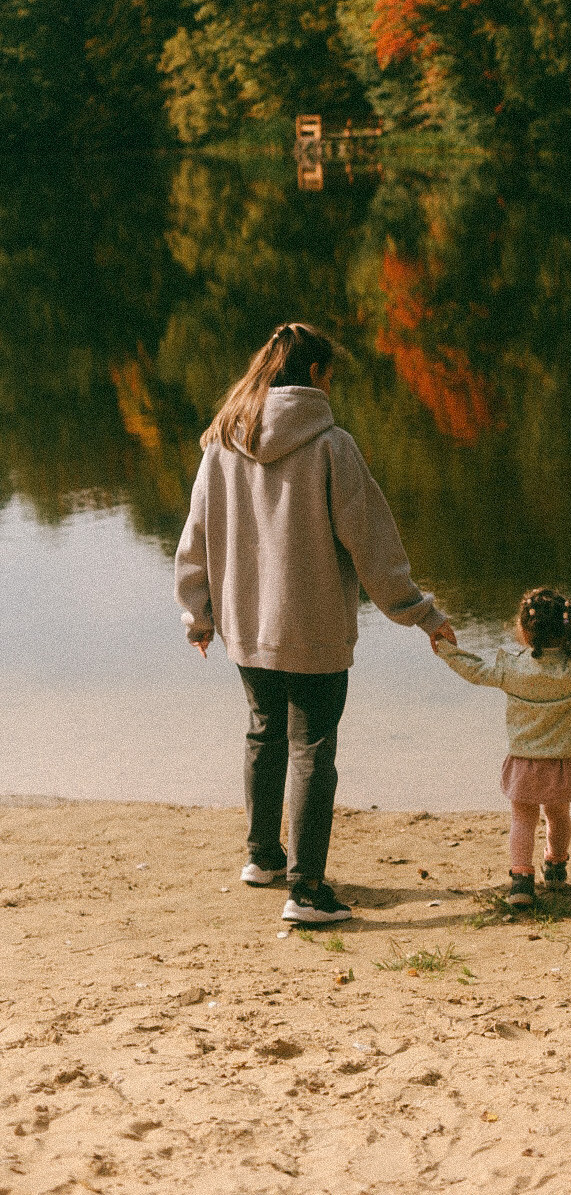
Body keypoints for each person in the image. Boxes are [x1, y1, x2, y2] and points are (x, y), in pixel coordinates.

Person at [174, 321, 455, 925]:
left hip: (247, 626)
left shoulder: (223, 441)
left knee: (262, 732)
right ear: (318, 376)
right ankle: (305, 891)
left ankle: (262, 857)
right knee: (312, 747)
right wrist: (421, 614)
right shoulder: (332, 445)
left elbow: (195, 537)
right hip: (315, 627)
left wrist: (198, 614)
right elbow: (373, 545)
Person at [433, 587, 571, 908]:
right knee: (558, 815)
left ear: (524, 630)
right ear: (568, 627)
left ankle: (521, 879)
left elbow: (474, 670)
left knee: (522, 818)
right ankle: (556, 867)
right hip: (566, 762)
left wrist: (446, 648)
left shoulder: (511, 669)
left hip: (526, 763)